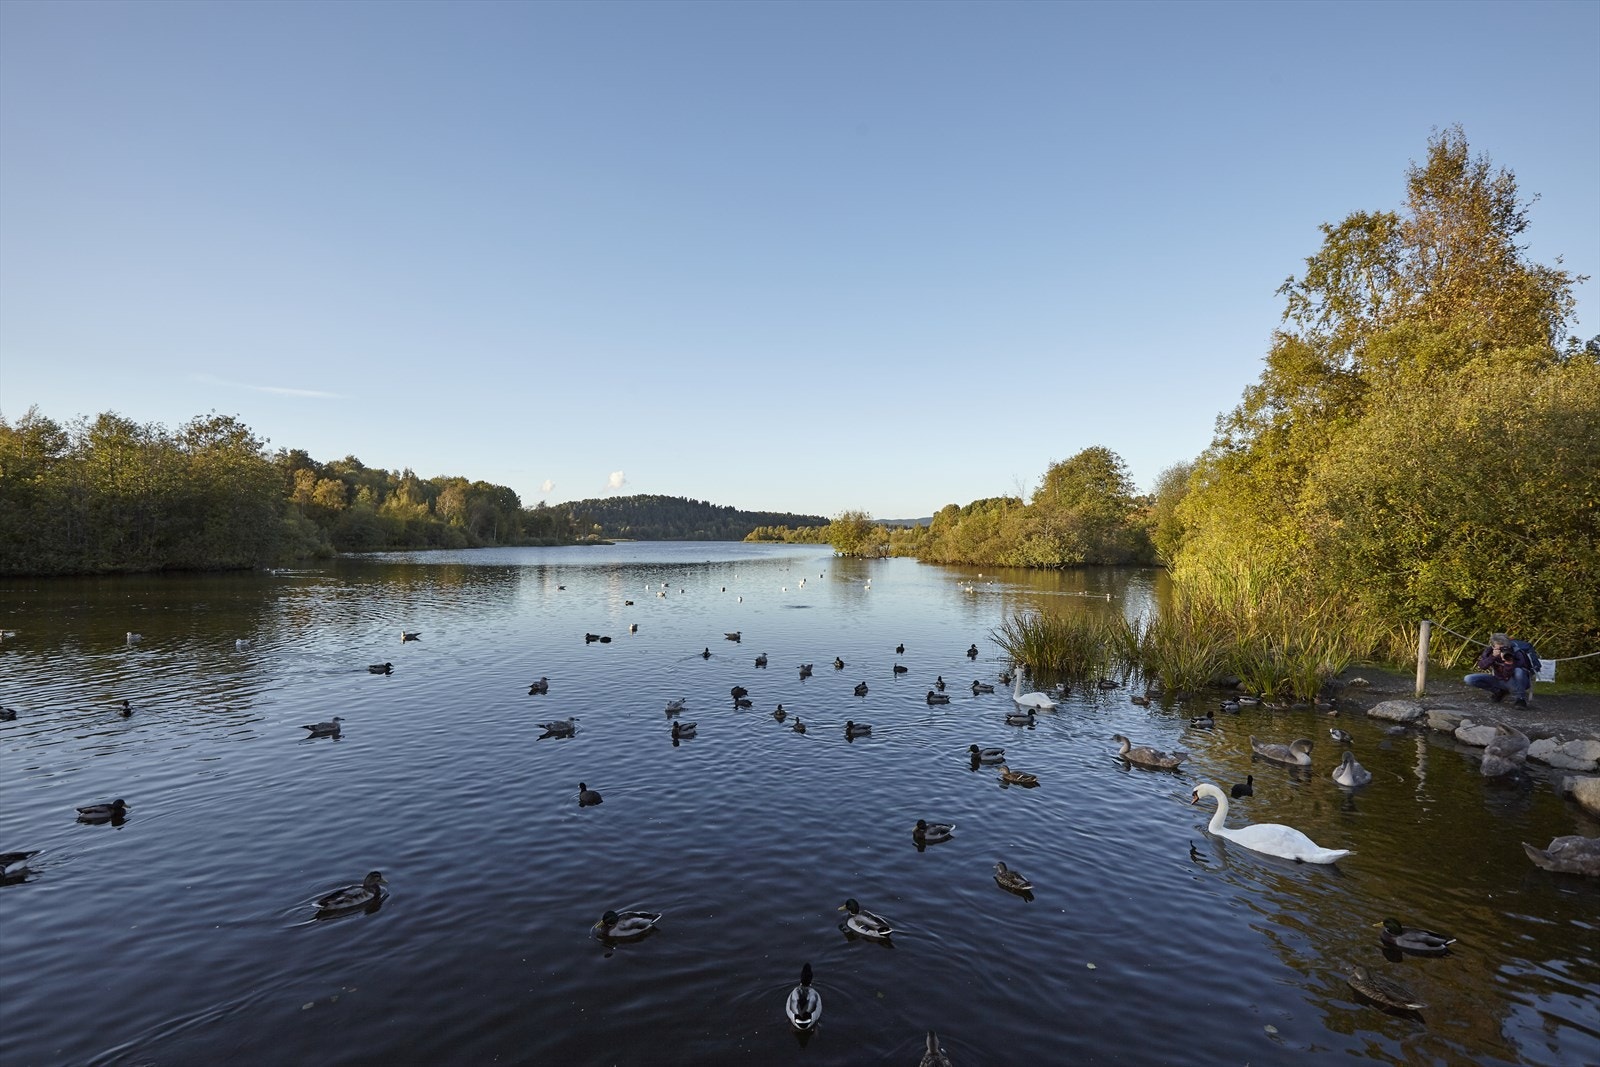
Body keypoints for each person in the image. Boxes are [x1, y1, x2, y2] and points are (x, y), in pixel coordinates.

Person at [1464, 633, 1531, 708]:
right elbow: (1482, 666)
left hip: (1516, 682)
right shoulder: (1489, 651)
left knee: (1518, 671)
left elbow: (1507, 676)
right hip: (1499, 679)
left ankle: (1520, 699)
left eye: (1504, 648)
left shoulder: (1517, 653)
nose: (1502, 650)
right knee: (1469, 678)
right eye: (1499, 649)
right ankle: (1499, 692)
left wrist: (1508, 662)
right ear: (1493, 646)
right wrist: (1493, 657)